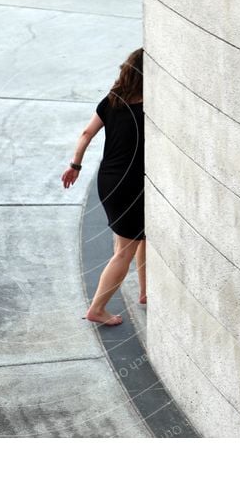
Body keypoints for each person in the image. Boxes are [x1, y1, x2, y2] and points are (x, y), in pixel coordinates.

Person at [61, 47, 145, 326]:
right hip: (131, 185)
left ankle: (145, 292)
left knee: (139, 235)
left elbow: (86, 133)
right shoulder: (149, 106)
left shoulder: (112, 101)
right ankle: (97, 308)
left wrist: (75, 166)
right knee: (125, 250)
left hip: (108, 180)